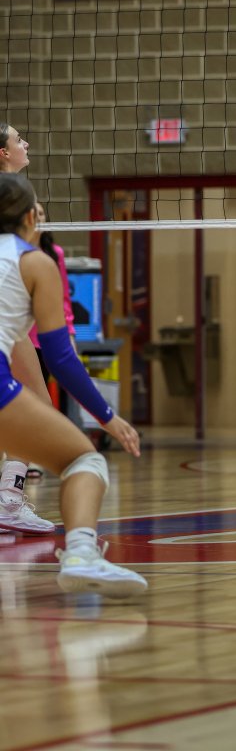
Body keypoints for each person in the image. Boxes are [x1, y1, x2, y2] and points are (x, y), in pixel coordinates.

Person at [0, 173, 146, 596]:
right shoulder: (35, 262)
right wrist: (107, 416)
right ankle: (82, 553)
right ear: (31, 217)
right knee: (85, 461)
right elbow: (61, 358)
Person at [0, 123, 57, 535]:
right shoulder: (12, 196)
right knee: (35, 403)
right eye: (18, 140)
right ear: (3, 153)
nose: (26, 144)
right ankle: (8, 501)